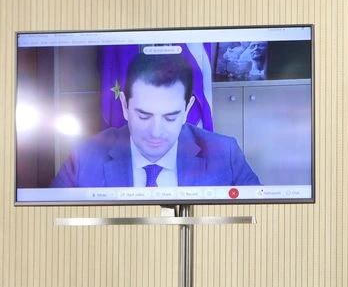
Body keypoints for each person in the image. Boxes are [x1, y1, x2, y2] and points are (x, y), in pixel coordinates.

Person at [51, 52, 260, 188]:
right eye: (143, 115)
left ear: (187, 110)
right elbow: (51, 226)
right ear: (124, 106)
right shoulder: (85, 157)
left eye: (170, 117)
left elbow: (261, 221)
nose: (156, 132)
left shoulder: (224, 153)